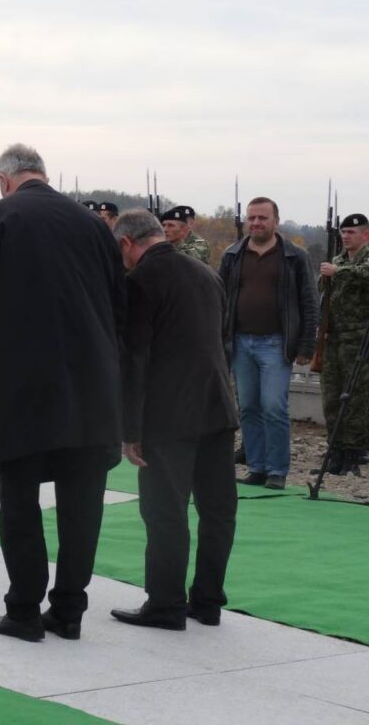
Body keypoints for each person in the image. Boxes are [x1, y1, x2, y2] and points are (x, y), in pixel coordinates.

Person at [0, 143, 124, 642]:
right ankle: (70, 610)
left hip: (24, 380)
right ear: (43, 174)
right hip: (93, 384)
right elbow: (118, 300)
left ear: (5, 180)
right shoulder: (94, 224)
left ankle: (24, 609)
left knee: (20, 500)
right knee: (83, 506)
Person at [109, 210, 238, 631]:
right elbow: (221, 338)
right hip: (216, 406)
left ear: (127, 243)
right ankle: (208, 601)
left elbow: (135, 356)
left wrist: (130, 429)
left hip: (167, 414)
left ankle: (165, 603)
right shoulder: (206, 273)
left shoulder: (141, 281)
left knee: (165, 511)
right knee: (217, 511)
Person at [218, 197, 318, 490]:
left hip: (276, 343)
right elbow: (219, 298)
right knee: (248, 407)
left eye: (262, 218)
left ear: (276, 220)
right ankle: (257, 467)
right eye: (251, 218)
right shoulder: (232, 255)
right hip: (240, 343)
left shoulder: (295, 257)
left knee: (274, 406)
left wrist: (306, 346)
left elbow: (309, 302)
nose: (256, 223)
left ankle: (277, 470)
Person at [319, 212, 369, 475]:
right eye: (344, 232)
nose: (346, 237)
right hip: (334, 338)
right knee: (331, 394)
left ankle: (354, 451)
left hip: (359, 339)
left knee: (357, 397)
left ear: (365, 235)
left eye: (351, 232)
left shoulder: (360, 261)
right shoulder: (337, 260)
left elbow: (364, 274)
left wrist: (338, 272)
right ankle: (335, 450)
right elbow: (323, 291)